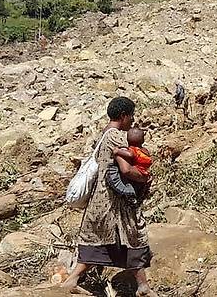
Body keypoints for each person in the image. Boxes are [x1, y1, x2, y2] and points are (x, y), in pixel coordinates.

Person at [62, 97, 157, 297]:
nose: (132, 120)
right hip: (114, 202)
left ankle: (72, 280)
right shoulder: (116, 137)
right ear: (123, 116)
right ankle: (143, 287)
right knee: (133, 237)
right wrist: (144, 176)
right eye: (131, 116)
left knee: (98, 240)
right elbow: (127, 167)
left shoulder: (105, 134)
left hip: (101, 201)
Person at [105, 128, 153, 207]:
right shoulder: (144, 150)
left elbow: (130, 155)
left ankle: (131, 195)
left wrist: (118, 151)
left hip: (139, 170)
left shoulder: (133, 150)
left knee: (130, 185)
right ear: (143, 141)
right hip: (145, 170)